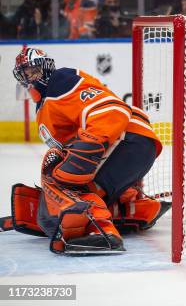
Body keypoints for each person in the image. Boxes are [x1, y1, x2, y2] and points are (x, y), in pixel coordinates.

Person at [9, 48, 168, 254]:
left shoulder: (60, 81)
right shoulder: (47, 99)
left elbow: (113, 110)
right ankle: (136, 209)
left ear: (47, 67)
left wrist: (88, 149)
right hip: (131, 145)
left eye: (34, 70)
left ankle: (101, 231)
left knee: (64, 180)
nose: (30, 77)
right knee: (76, 180)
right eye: (25, 73)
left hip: (127, 141)